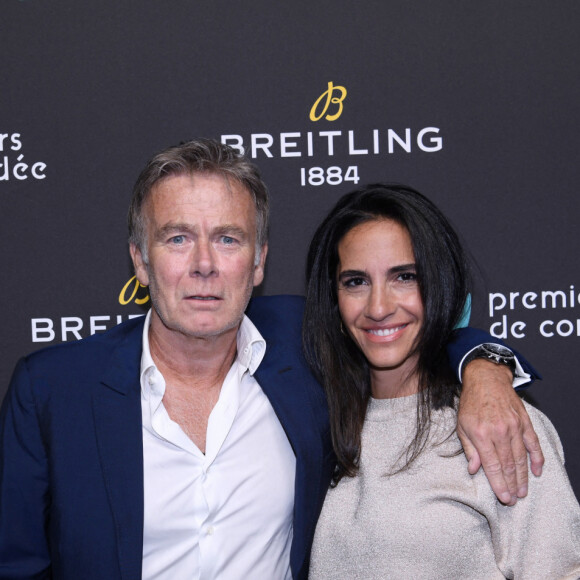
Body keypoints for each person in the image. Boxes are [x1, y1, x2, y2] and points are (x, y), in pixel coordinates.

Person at [0, 140, 540, 580]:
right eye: (178, 238)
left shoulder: (305, 345)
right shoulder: (53, 390)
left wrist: (484, 367)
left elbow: (400, 321)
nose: (205, 265)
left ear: (259, 261)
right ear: (141, 261)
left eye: (228, 239)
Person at [304, 183, 580, 578]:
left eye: (404, 277)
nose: (379, 307)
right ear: (333, 297)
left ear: (440, 284)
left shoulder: (498, 425)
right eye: (356, 282)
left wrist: (486, 366)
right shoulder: (314, 421)